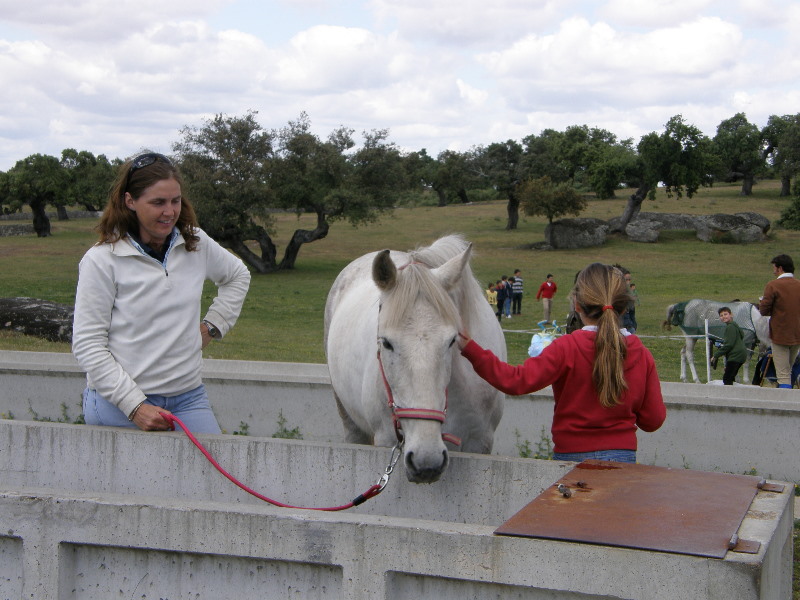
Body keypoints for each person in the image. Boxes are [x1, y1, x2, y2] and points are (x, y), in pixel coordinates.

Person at [72, 152, 251, 433]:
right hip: (121, 403)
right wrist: (135, 407)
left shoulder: (196, 242)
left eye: (175, 201)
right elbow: (88, 344)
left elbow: (237, 276)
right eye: (158, 203)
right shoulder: (102, 260)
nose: (169, 212)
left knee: (209, 475)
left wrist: (213, 325)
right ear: (130, 201)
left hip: (188, 397)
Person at [458, 262, 666, 463]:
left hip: (571, 459)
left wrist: (470, 348)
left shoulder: (567, 347)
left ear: (577, 305)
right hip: (623, 459)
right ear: (623, 308)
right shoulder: (641, 353)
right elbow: (653, 420)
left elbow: (515, 381)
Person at [759, 254, 800, 389]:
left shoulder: (773, 285)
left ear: (780, 268)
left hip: (780, 334)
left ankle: (784, 404)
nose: (773, 271)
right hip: (797, 334)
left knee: (782, 373)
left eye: (774, 268)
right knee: (789, 368)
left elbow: (764, 310)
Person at [710, 306, 747, 385]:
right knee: (730, 377)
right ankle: (733, 394)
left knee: (727, 379)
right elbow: (741, 336)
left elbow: (729, 345)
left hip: (736, 355)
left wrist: (716, 355)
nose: (723, 317)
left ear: (731, 315)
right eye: (721, 315)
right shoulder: (734, 325)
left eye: (725, 314)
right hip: (740, 355)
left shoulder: (730, 327)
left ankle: (729, 395)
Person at [615, 265, 637, 333]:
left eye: (629, 280)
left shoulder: (628, 296)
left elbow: (632, 314)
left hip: (629, 329)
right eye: (626, 280)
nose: (628, 282)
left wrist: (633, 325)